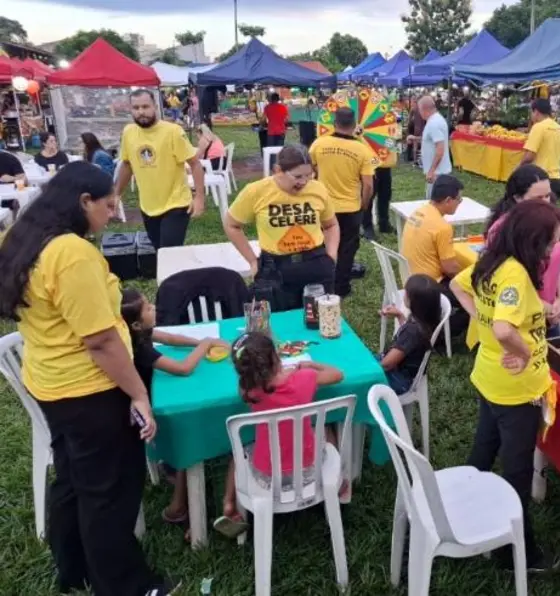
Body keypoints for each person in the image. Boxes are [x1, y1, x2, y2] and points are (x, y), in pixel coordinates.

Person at [0, 162, 179, 595]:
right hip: (91, 390)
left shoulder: (22, 238)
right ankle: (123, 585)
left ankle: (74, 567)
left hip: (50, 382)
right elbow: (100, 340)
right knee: (110, 491)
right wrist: (138, 394)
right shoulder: (72, 253)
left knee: (74, 479)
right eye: (109, 205)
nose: (112, 215)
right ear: (84, 202)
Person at [450, 200, 560, 573]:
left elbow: (458, 284)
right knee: (516, 472)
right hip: (516, 390)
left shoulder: (493, 260)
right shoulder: (516, 273)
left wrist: (484, 318)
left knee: (484, 450)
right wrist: (518, 347)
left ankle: (465, 511)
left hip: (489, 379)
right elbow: (504, 327)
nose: (552, 251)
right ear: (533, 241)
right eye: (550, 243)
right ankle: (515, 552)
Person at [214, 332, 346, 537]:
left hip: (265, 476)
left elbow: (244, 388)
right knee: (327, 429)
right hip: (309, 471)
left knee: (237, 456)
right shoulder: (304, 378)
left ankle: (228, 503)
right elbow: (337, 374)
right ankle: (340, 482)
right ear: (276, 358)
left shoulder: (249, 391)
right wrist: (310, 366)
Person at [121, 288, 227, 535]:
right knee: (187, 427)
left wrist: (196, 341)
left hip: (148, 403)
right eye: (148, 308)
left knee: (187, 422)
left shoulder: (139, 333)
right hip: (147, 418)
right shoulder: (140, 349)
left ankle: (179, 497)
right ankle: (180, 503)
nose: (154, 309)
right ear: (136, 324)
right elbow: (183, 368)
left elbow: (171, 339)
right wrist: (206, 344)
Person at [225, 146, 339, 311]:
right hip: (275, 269)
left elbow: (331, 225)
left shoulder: (317, 189)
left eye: (309, 175)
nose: (304, 182)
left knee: (320, 319)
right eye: (297, 176)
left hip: (315, 263)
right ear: (277, 170)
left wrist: (331, 255)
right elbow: (232, 225)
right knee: (278, 324)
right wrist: (252, 260)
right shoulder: (256, 191)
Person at [485, 165, 560, 338]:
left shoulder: (552, 221)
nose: (546, 202)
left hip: (550, 311)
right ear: (517, 197)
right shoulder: (502, 231)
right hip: (522, 317)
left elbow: (557, 264)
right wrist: (542, 306)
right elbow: (502, 282)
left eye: (548, 195)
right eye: (538, 197)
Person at [116, 89, 205, 250]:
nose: (141, 112)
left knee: (169, 253)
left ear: (155, 106)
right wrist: (116, 194)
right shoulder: (128, 133)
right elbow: (127, 165)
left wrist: (199, 198)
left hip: (176, 203)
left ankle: (176, 275)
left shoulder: (173, 132)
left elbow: (195, 163)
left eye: (145, 106)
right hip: (148, 206)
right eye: (136, 108)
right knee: (160, 251)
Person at [309, 107, 376, 298]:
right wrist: (364, 204)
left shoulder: (319, 144)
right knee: (347, 249)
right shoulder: (362, 149)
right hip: (350, 208)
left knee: (321, 246)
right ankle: (341, 287)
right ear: (355, 125)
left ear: (334, 124)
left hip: (324, 207)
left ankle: (322, 285)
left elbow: (310, 169)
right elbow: (368, 185)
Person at [400, 174, 468, 337]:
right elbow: (450, 269)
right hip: (429, 287)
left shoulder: (418, 212)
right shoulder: (442, 227)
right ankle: (436, 336)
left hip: (411, 277)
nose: (460, 203)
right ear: (447, 200)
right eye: (459, 199)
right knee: (472, 299)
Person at [378, 273, 442, 394]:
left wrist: (369, 372)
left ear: (413, 301)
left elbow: (387, 364)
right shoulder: (425, 321)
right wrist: (399, 315)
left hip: (398, 378)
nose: (404, 294)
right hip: (403, 372)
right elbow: (410, 343)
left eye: (406, 292)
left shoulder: (412, 331)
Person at [521, 98, 560, 200]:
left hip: (539, 179)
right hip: (556, 180)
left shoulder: (538, 127)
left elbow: (530, 156)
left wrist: (519, 167)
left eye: (531, 112)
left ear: (536, 112)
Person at [410, 96, 451, 199]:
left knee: (433, 204)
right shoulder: (436, 119)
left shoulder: (434, 124)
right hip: (439, 172)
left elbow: (440, 148)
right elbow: (431, 140)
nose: (419, 113)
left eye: (419, 110)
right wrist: (415, 138)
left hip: (437, 173)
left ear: (424, 109)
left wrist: (432, 170)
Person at [362, 145, 396, 240]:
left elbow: (395, 141)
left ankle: (384, 223)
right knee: (369, 195)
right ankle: (367, 226)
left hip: (386, 162)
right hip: (370, 163)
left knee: (385, 194)